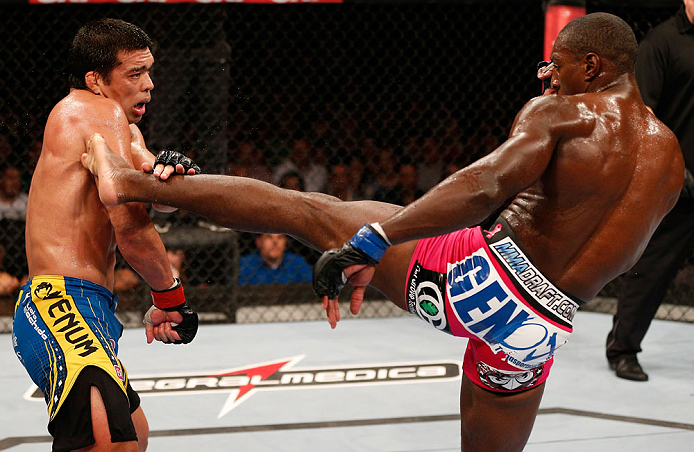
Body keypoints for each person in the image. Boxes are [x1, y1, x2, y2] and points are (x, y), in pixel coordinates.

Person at [80, 13, 682, 452]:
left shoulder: (564, 113)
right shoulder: (671, 158)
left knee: (304, 210)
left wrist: (379, 238)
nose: (549, 72)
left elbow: (481, 187)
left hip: (478, 280)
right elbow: (624, 253)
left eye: (559, 61)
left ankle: (132, 183)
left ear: (592, 65)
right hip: (542, 328)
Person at [12, 19, 200, 452]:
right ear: (95, 80)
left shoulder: (120, 127)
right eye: (135, 74)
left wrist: (173, 173)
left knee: (134, 434)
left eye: (149, 72)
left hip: (88, 307)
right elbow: (131, 225)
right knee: (114, 444)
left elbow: (155, 188)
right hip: (61, 304)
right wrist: (170, 297)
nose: (149, 85)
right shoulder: (89, 110)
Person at [605, 0, 694, 382]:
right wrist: (674, 170)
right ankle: (623, 349)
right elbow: (642, 113)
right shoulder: (663, 41)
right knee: (652, 269)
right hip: (678, 184)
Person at [239, 233, 312, 285]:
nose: (275, 242)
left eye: (280, 237)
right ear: (258, 242)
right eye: (269, 237)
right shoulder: (245, 264)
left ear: (285, 242)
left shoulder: (297, 263)